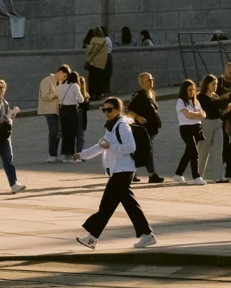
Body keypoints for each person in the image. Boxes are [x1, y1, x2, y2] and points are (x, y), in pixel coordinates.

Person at [74, 96, 156, 250]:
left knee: (106, 206)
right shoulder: (111, 126)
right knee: (128, 205)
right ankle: (146, 234)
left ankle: (92, 237)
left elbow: (130, 147)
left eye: (109, 109)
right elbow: (100, 146)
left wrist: (111, 146)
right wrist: (82, 155)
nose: (106, 112)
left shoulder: (122, 126)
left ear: (118, 110)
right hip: (119, 171)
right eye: (104, 109)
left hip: (123, 171)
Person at [127, 72, 164, 184]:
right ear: (141, 82)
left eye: (152, 79)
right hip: (142, 129)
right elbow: (128, 110)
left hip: (152, 127)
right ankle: (152, 175)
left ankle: (131, 172)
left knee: (140, 150)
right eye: (148, 80)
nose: (151, 81)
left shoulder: (151, 93)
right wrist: (138, 117)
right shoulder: (138, 95)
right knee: (148, 151)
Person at [196, 74, 231, 183]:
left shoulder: (215, 97)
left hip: (217, 122)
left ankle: (219, 176)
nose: (215, 86)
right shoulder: (201, 97)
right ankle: (198, 175)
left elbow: (219, 113)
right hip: (206, 123)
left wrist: (227, 110)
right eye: (213, 84)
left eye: (216, 84)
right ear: (207, 85)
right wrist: (220, 99)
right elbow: (208, 109)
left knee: (218, 150)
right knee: (204, 150)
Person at [174, 80, 206, 185]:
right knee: (194, 151)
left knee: (188, 152)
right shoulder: (181, 101)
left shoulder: (195, 102)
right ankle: (196, 176)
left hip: (196, 128)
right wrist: (197, 114)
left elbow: (204, 114)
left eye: (193, 90)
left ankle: (178, 174)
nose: (192, 92)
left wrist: (196, 114)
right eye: (189, 90)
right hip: (186, 129)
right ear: (184, 90)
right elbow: (188, 115)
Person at [38, 66, 66, 162]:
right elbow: (45, 95)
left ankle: (55, 153)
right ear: (60, 72)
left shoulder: (61, 82)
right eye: (64, 76)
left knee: (58, 131)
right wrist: (56, 95)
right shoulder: (47, 80)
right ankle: (51, 154)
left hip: (57, 110)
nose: (64, 78)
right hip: (49, 110)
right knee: (53, 131)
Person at [56, 67, 82, 162]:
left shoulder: (59, 86)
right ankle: (71, 156)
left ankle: (64, 155)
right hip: (72, 109)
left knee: (65, 133)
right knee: (72, 133)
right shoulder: (75, 86)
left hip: (63, 109)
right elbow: (80, 99)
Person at [84, 28, 109, 98]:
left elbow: (91, 51)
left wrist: (88, 60)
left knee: (92, 80)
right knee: (99, 80)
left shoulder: (94, 40)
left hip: (93, 63)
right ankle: (98, 94)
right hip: (101, 64)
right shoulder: (104, 40)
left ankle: (92, 95)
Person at [102, 26, 114, 91]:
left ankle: (106, 90)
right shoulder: (107, 38)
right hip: (107, 56)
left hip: (106, 56)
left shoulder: (105, 39)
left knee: (106, 74)